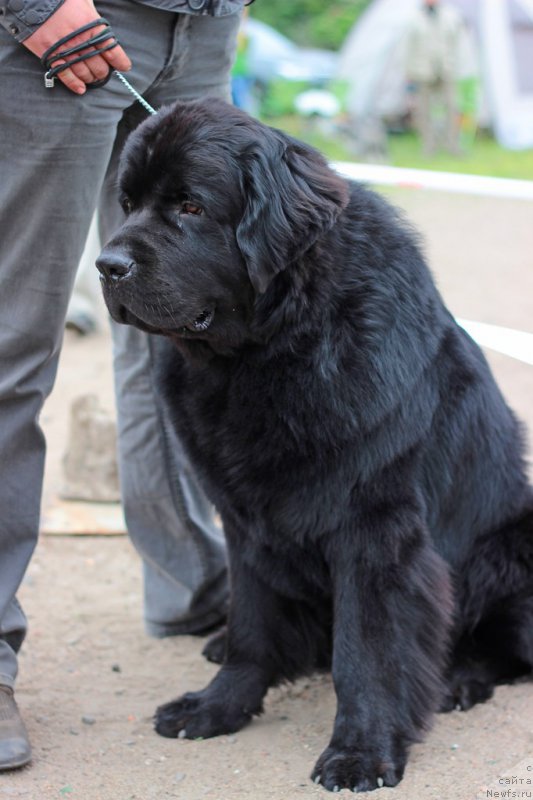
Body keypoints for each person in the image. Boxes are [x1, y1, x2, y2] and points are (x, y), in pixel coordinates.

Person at [0, 0, 246, 770]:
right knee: (13, 346)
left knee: (186, 327)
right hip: (72, 22)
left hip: (202, 27)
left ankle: (191, 583)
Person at [405, 0, 464, 155]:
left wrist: (457, 65)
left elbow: (458, 43)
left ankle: (452, 144)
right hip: (422, 70)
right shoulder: (413, 17)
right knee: (423, 111)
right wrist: (409, 72)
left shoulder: (451, 15)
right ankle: (428, 145)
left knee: (452, 107)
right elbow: (407, 47)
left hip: (446, 68)